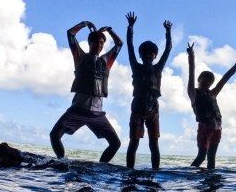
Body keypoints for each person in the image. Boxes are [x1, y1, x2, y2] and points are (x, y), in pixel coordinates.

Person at [49, 19, 123, 162]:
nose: (99, 45)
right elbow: (70, 34)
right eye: (95, 42)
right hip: (78, 109)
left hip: (97, 114)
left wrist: (109, 30)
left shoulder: (106, 61)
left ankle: (101, 168)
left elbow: (119, 44)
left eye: (101, 43)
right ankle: (62, 162)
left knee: (115, 143)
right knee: (54, 135)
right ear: (89, 43)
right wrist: (84, 24)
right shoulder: (80, 57)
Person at [125, 12, 172, 169]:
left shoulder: (158, 68)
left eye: (151, 53)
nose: (148, 55)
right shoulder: (136, 66)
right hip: (137, 107)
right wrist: (130, 27)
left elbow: (168, 49)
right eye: (145, 53)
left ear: (155, 55)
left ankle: (155, 172)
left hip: (153, 109)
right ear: (141, 55)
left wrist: (168, 32)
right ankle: (129, 172)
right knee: (134, 142)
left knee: (154, 143)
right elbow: (130, 46)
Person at [186, 42, 236, 169]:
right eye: (204, 79)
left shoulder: (213, 93)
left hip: (217, 128)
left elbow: (224, 79)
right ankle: (188, 177)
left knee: (211, 158)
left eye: (210, 81)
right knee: (201, 156)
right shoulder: (193, 92)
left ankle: (211, 184)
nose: (206, 81)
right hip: (204, 128)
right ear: (199, 80)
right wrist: (191, 55)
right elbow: (191, 72)